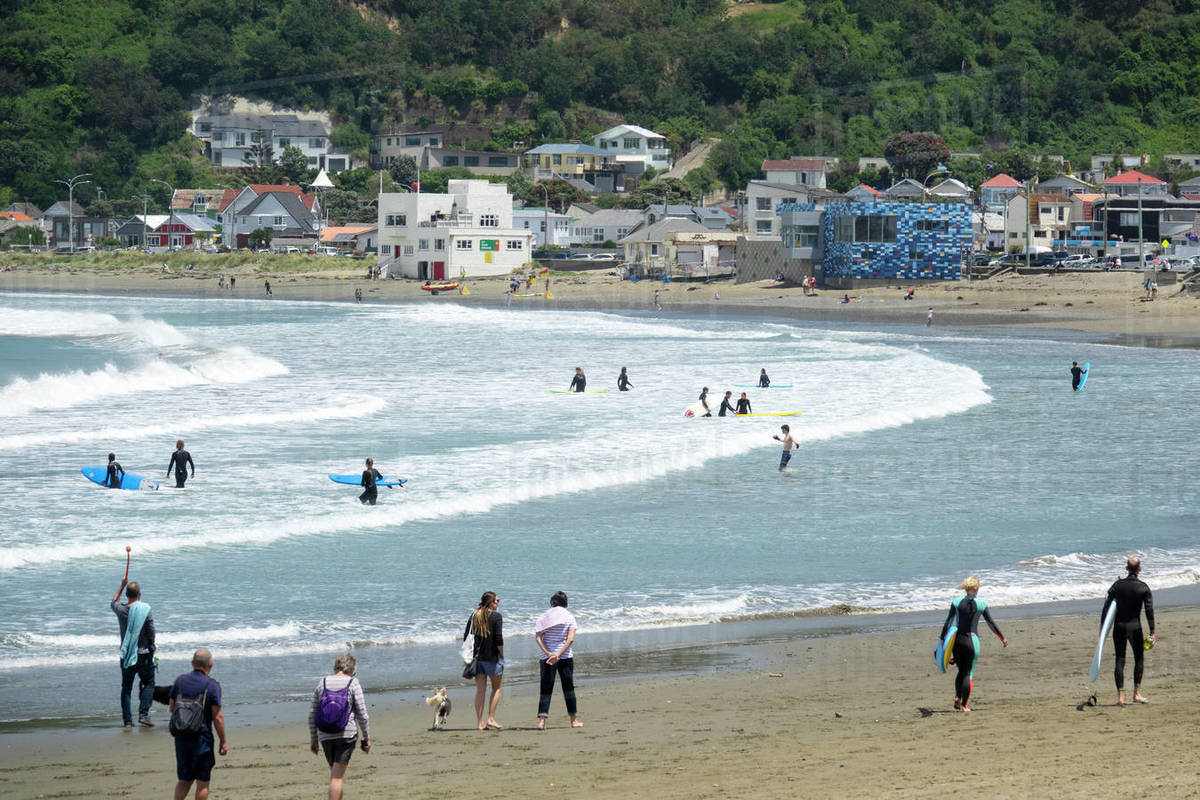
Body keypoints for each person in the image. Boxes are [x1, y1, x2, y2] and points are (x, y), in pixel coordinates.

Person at [938, 576, 1007, 712]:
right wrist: (1002, 638)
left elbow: (948, 621)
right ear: (976, 589)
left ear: (966, 588)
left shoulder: (956, 602)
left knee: (960, 671)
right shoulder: (981, 605)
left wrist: (942, 638)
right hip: (972, 642)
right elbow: (991, 623)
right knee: (968, 674)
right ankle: (964, 706)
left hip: (957, 641)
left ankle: (958, 697)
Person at [309, 653, 370, 800]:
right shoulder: (353, 682)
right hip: (346, 734)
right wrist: (366, 738)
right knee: (337, 778)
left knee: (335, 775)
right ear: (352, 669)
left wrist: (314, 739)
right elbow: (362, 713)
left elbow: (312, 714)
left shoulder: (322, 682)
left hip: (325, 734)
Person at [169, 649, 227, 800]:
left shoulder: (179, 681)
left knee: (184, 780)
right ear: (211, 665)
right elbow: (217, 718)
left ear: (192, 663)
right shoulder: (212, 685)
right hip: (202, 739)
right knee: (202, 783)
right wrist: (223, 741)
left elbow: (171, 708)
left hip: (181, 738)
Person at [1102, 557, 1155, 706]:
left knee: (1120, 659)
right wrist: (1152, 632)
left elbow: (1106, 607)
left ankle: (1120, 697)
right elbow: (1149, 610)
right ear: (1139, 569)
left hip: (1119, 627)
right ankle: (1136, 694)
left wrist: (1103, 628)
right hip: (1134, 627)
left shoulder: (1117, 586)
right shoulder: (1143, 587)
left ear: (1126, 569)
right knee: (1139, 658)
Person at [535, 591, 583, 730]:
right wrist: (559, 654)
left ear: (552, 603)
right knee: (568, 687)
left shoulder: (545, 616)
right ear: (565, 603)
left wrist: (549, 653)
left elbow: (538, 637)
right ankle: (573, 721)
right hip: (565, 656)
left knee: (546, 688)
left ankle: (542, 722)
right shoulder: (569, 617)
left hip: (547, 658)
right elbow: (570, 639)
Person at [112, 577, 156, 727]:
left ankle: (128, 721)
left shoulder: (121, 609)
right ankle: (144, 714)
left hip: (127, 655)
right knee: (149, 683)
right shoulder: (145, 609)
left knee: (126, 688)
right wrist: (152, 645)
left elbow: (113, 602)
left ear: (126, 595)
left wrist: (121, 584)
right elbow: (151, 632)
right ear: (140, 594)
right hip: (143, 654)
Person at [464, 592, 504, 730]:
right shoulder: (496, 616)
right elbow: (499, 639)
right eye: (497, 600)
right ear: (491, 602)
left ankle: (479, 723)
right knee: (496, 688)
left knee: (480, 691)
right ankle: (491, 719)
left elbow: (466, 636)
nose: (498, 602)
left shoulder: (474, 615)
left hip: (477, 658)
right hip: (493, 658)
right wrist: (502, 655)